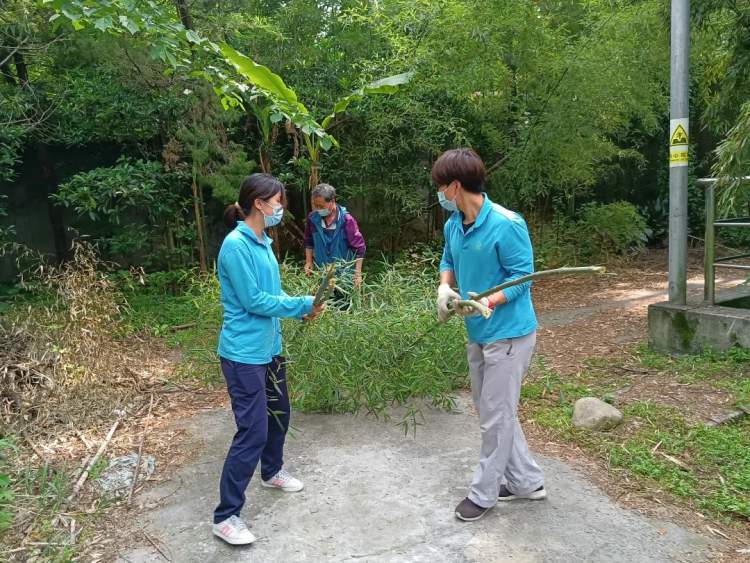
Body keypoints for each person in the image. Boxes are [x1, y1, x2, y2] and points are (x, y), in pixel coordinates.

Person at [433, 148, 546, 522]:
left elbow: (521, 279)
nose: (439, 194)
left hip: (509, 335)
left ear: (454, 186)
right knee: (492, 411)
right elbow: (448, 260)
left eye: (440, 187)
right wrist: (445, 288)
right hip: (477, 330)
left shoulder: (506, 223)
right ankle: (527, 482)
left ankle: (483, 494)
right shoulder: (454, 224)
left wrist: (488, 301)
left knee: (495, 415)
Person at [213, 173, 325, 545]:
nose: (282, 208)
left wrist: (299, 309)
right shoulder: (235, 246)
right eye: (278, 201)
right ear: (259, 203)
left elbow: (272, 294)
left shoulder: (263, 242)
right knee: (253, 430)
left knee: (280, 413)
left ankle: (272, 470)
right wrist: (300, 305)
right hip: (243, 354)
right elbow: (254, 301)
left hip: (269, 348)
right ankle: (226, 515)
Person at [304, 183, 366, 289]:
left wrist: (357, 274)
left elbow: (360, 249)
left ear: (332, 201)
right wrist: (308, 261)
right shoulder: (313, 218)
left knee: (344, 304)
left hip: (344, 277)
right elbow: (309, 242)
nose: (318, 209)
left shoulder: (346, 220)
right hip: (322, 274)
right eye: (315, 205)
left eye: (321, 206)